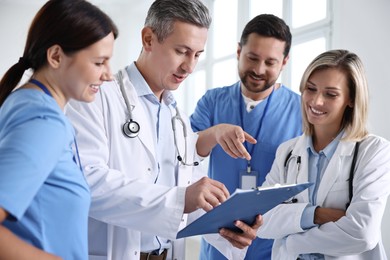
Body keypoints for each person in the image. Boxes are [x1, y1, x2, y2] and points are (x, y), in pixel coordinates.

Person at [65, 0, 261, 259]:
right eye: (181, 51)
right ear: (148, 39)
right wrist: (182, 199)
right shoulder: (96, 96)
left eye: (198, 55)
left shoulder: (176, 116)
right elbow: (89, 182)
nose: (189, 67)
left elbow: (185, 201)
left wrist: (229, 228)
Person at [0, 0, 117, 259]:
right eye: (99, 63)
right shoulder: (44, 122)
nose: (109, 75)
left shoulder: (22, 102)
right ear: (55, 56)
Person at [257, 49, 390, 259]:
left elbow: (363, 233)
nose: (316, 101)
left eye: (330, 94)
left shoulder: (374, 152)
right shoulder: (287, 152)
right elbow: (261, 219)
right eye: (311, 89)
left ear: (352, 99)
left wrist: (291, 242)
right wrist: (318, 215)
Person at [190, 14, 302, 259]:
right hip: (217, 240)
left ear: (284, 62)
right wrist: (214, 133)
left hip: (271, 242)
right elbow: (185, 154)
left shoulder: (301, 111)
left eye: (270, 62)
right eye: (252, 58)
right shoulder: (212, 101)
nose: (259, 70)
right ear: (239, 51)